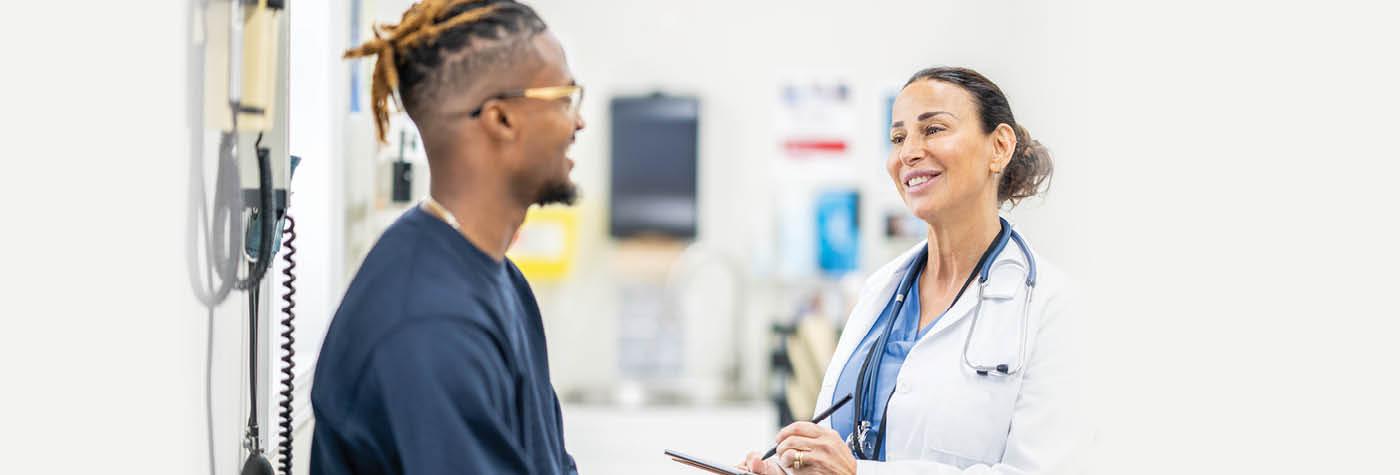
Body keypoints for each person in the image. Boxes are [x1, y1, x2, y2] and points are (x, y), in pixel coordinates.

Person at [744, 67, 1089, 474]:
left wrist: (858, 474)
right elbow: (841, 448)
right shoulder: (880, 292)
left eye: (934, 129)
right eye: (898, 137)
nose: (908, 152)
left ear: (999, 147)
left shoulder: (1056, 308)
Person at [310, 1, 585, 473]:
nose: (578, 122)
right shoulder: (428, 324)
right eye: (564, 98)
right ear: (501, 120)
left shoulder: (500, 281)